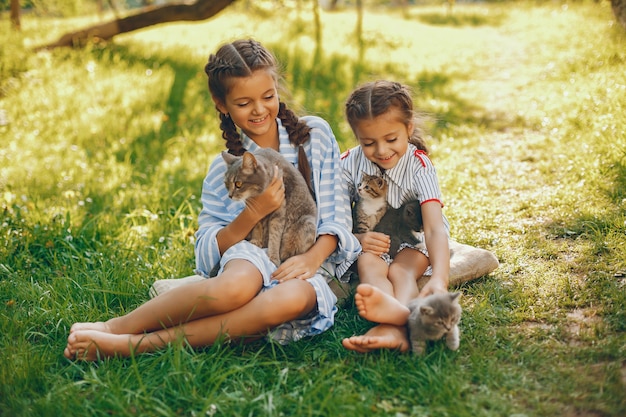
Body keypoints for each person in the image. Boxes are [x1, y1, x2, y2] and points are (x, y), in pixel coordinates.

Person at [64, 39, 360, 361]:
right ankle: (114, 327)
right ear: (222, 104)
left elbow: (336, 215)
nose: (259, 110)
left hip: (309, 258)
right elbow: (207, 250)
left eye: (268, 97)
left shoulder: (313, 135)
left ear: (277, 89)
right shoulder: (227, 169)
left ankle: (131, 345)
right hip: (253, 255)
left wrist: (312, 258)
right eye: (244, 102)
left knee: (286, 301)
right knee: (233, 288)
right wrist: (253, 213)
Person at [340, 80, 451, 353]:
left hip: (413, 240)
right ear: (357, 137)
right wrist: (358, 238)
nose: (381, 151)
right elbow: (335, 219)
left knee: (401, 270)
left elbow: (435, 229)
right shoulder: (348, 163)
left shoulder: (420, 165)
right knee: (369, 264)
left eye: (391, 139)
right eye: (368, 142)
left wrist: (439, 278)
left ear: (408, 128)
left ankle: (392, 325)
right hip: (373, 240)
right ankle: (399, 322)